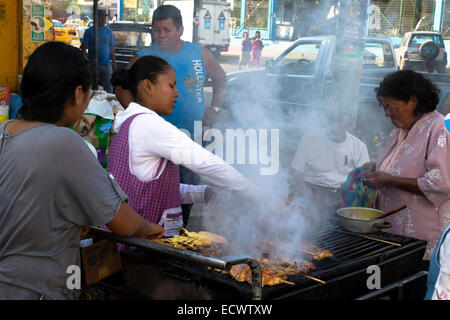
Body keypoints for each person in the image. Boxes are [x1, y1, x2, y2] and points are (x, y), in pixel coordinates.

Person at [0, 42, 164, 300]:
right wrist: (152, 228)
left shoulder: (5, 130)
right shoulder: (62, 142)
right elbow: (124, 224)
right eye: (87, 94)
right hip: (35, 291)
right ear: (77, 94)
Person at [109, 55, 260, 241]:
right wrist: (257, 194)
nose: (176, 93)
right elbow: (205, 163)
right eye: (171, 85)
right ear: (147, 86)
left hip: (130, 243)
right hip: (142, 249)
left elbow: (152, 190)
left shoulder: (130, 122)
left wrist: (201, 193)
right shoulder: (148, 124)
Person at [119, 4, 227, 226]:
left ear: (180, 30)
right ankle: (152, 234)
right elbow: (120, 87)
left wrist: (214, 109)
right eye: (156, 30)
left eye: (167, 30)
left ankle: (179, 232)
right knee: (155, 191)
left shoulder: (200, 53)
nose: (161, 35)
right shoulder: (144, 57)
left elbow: (220, 77)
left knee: (187, 188)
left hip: (192, 135)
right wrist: (136, 114)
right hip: (153, 141)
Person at [363, 70, 450, 260]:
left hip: (423, 241)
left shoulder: (440, 128)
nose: (387, 113)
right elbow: (401, 165)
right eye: (383, 107)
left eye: (391, 106)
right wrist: (377, 167)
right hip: (394, 234)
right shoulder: (400, 129)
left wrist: (390, 179)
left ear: (412, 100)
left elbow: (441, 184)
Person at [290, 108, 370, 218]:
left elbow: (363, 184)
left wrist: (343, 199)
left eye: (339, 119)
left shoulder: (359, 147)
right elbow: (296, 174)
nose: (334, 124)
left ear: (350, 122)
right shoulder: (309, 138)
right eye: (330, 119)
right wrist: (314, 199)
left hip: (344, 200)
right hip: (310, 195)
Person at [81, 9, 116, 93]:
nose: (103, 19)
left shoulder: (108, 32)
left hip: (106, 64)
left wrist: (114, 62)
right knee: (92, 88)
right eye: (101, 17)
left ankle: (109, 105)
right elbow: (83, 49)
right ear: (96, 18)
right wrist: (87, 63)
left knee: (109, 88)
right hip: (93, 65)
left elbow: (111, 47)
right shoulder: (89, 32)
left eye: (104, 17)